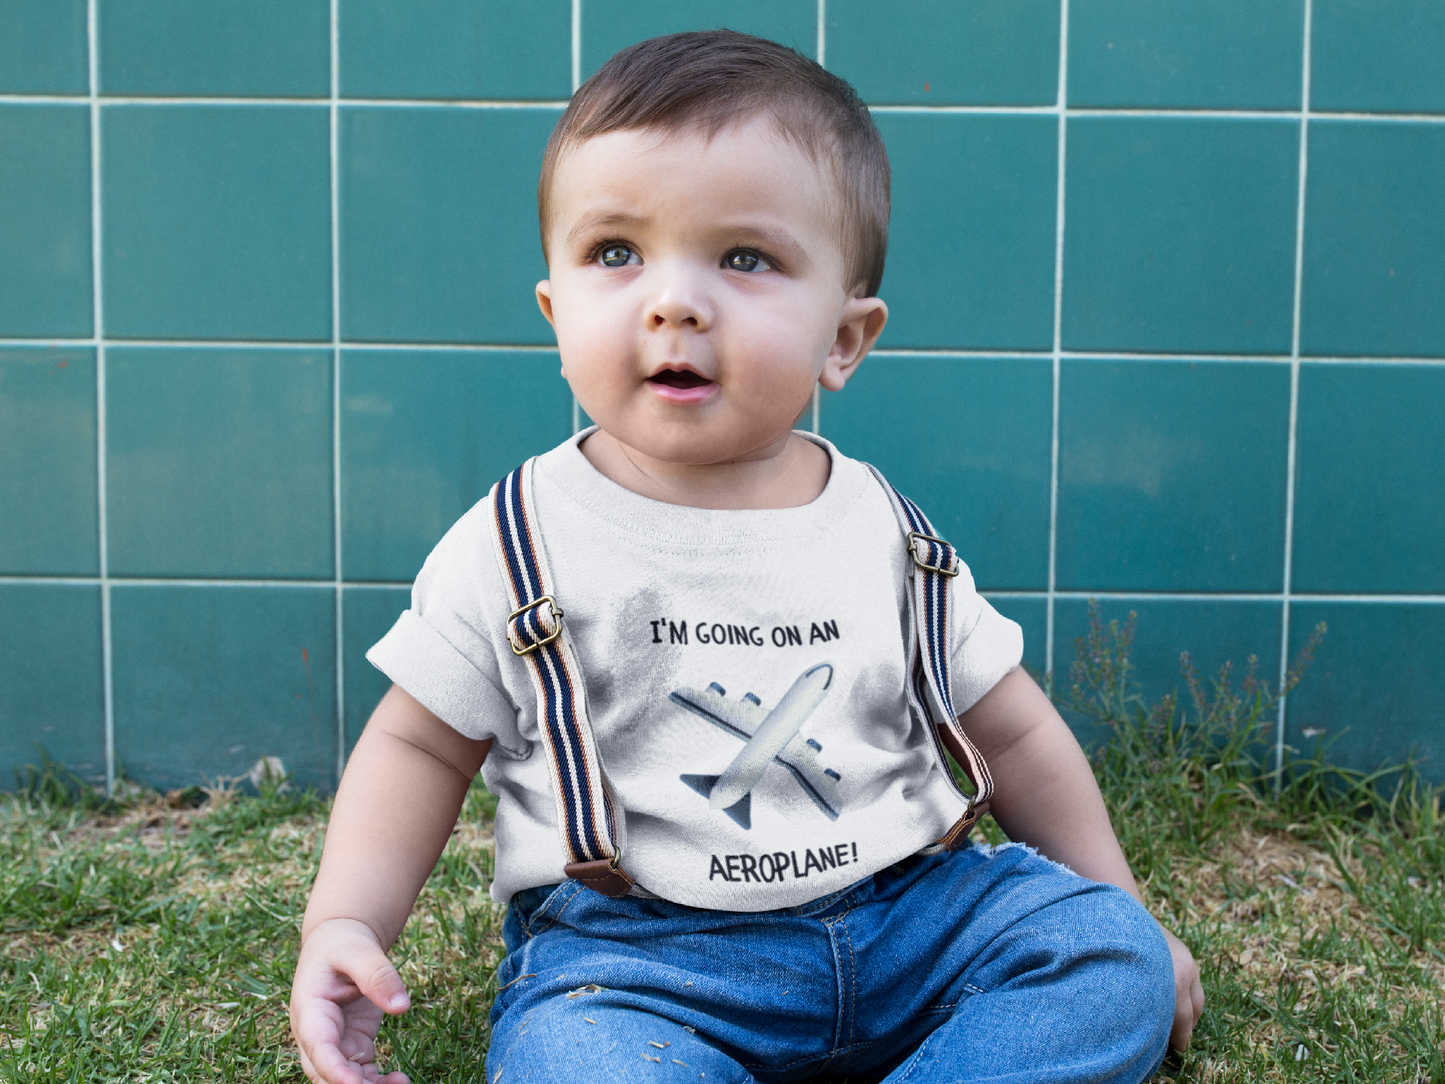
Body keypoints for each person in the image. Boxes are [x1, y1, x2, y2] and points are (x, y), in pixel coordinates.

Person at [289, 30, 1204, 1084]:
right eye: (615, 253)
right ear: (555, 311)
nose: (673, 301)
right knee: (576, 1061)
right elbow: (415, 748)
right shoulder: (512, 539)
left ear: (844, 339)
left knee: (1110, 960)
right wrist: (344, 921)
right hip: (639, 961)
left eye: (744, 257)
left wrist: (1120, 903)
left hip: (910, 920)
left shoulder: (884, 529)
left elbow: (1016, 729)